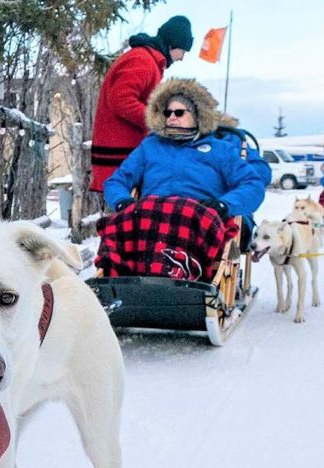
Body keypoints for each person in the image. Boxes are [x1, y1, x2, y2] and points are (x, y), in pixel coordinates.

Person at [98, 78, 269, 281]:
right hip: (151, 213)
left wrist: (224, 205)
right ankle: (117, 282)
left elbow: (253, 184)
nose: (172, 117)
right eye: (167, 113)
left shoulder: (219, 149)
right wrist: (122, 201)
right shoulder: (150, 146)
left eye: (179, 112)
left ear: (197, 115)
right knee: (116, 225)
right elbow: (116, 181)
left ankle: (181, 281)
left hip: (198, 214)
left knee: (185, 215)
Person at [89, 15, 193, 193]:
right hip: (120, 158)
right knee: (124, 218)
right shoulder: (142, 60)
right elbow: (121, 99)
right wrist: (157, 121)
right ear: (172, 44)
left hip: (126, 156)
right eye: (183, 51)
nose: (182, 58)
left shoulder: (149, 61)